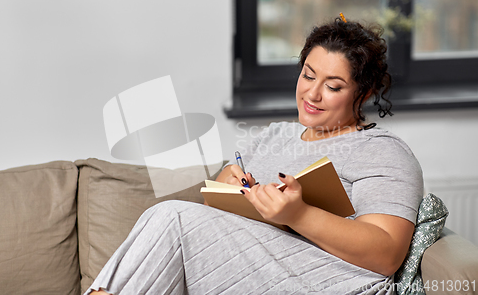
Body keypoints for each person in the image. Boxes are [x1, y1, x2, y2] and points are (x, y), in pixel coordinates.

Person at [85, 16, 423, 295]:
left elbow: (387, 254)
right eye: (308, 75)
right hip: (253, 274)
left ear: (362, 94)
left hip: (331, 282)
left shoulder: (382, 151)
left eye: (333, 86)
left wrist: (299, 214)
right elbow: (214, 228)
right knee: (167, 219)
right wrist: (225, 186)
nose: (313, 93)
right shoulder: (272, 135)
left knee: (171, 217)